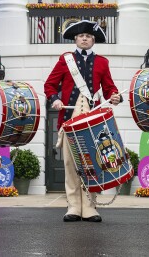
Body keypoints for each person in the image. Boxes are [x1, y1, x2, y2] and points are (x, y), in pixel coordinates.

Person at [45, 19, 121, 223]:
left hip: (92, 120)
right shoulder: (65, 59)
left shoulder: (102, 62)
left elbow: (109, 88)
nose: (84, 38)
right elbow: (50, 85)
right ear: (76, 39)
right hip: (69, 119)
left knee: (91, 163)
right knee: (70, 164)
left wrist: (115, 96)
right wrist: (56, 99)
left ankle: (89, 205)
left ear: (93, 40)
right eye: (81, 36)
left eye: (88, 36)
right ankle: (73, 206)